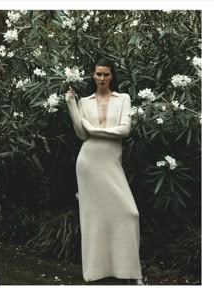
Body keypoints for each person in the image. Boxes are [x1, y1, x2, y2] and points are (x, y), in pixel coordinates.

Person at [65, 58, 143, 285]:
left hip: (111, 162)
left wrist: (93, 129)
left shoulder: (123, 98)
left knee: (130, 214)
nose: (102, 79)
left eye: (106, 75)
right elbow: (81, 134)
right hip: (88, 162)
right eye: (98, 74)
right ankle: (95, 273)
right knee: (93, 219)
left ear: (112, 76)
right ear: (92, 75)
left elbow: (124, 130)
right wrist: (71, 104)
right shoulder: (85, 102)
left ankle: (131, 272)